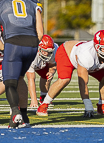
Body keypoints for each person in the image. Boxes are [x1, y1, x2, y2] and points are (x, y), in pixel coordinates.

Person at [36, 30, 104, 117]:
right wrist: (88, 105)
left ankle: (102, 107)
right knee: (64, 79)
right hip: (67, 53)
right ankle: (43, 105)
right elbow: (83, 82)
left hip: (87, 59)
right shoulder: (86, 54)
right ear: (96, 46)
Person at [0, 0, 43, 128]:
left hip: (13, 44)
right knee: (19, 78)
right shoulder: (33, 4)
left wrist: (4, 48)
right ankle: (24, 117)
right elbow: (40, 33)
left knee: (10, 82)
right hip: (32, 46)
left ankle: (15, 112)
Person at [26, 35, 58, 108]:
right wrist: (34, 100)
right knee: (17, 79)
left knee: (47, 75)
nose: (47, 54)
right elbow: (31, 79)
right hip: (24, 63)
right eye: (45, 51)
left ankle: (43, 96)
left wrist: (51, 72)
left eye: (49, 52)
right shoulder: (31, 53)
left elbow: (52, 65)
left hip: (41, 63)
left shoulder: (55, 50)